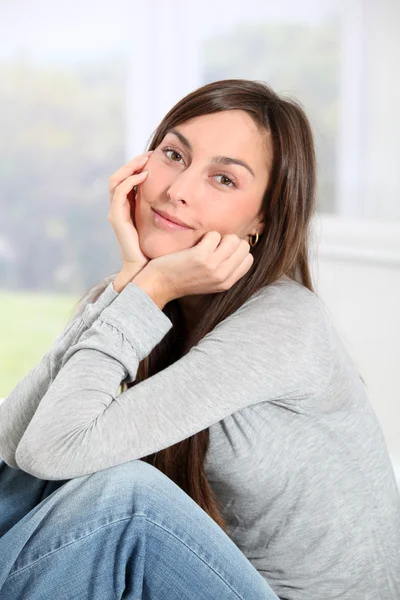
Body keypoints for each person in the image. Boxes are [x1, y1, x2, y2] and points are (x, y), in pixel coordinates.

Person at [0, 78, 399, 600]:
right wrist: (126, 287)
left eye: (224, 180)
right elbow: (15, 448)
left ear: (262, 218)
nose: (178, 188)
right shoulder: (137, 296)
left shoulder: (283, 324)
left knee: (129, 502)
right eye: (173, 154)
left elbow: (53, 449)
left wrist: (150, 287)